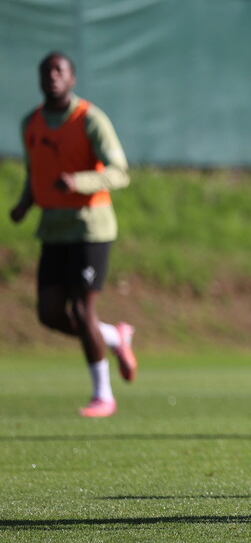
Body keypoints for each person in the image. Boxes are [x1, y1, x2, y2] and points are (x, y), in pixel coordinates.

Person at [9, 52, 137, 419]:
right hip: (53, 228)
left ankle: (103, 396)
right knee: (49, 314)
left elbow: (119, 172)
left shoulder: (89, 119)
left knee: (82, 312)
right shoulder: (31, 123)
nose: (52, 77)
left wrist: (79, 181)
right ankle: (115, 337)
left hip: (90, 228)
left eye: (59, 71)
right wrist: (24, 203)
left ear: (72, 79)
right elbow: (37, 172)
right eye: (46, 71)